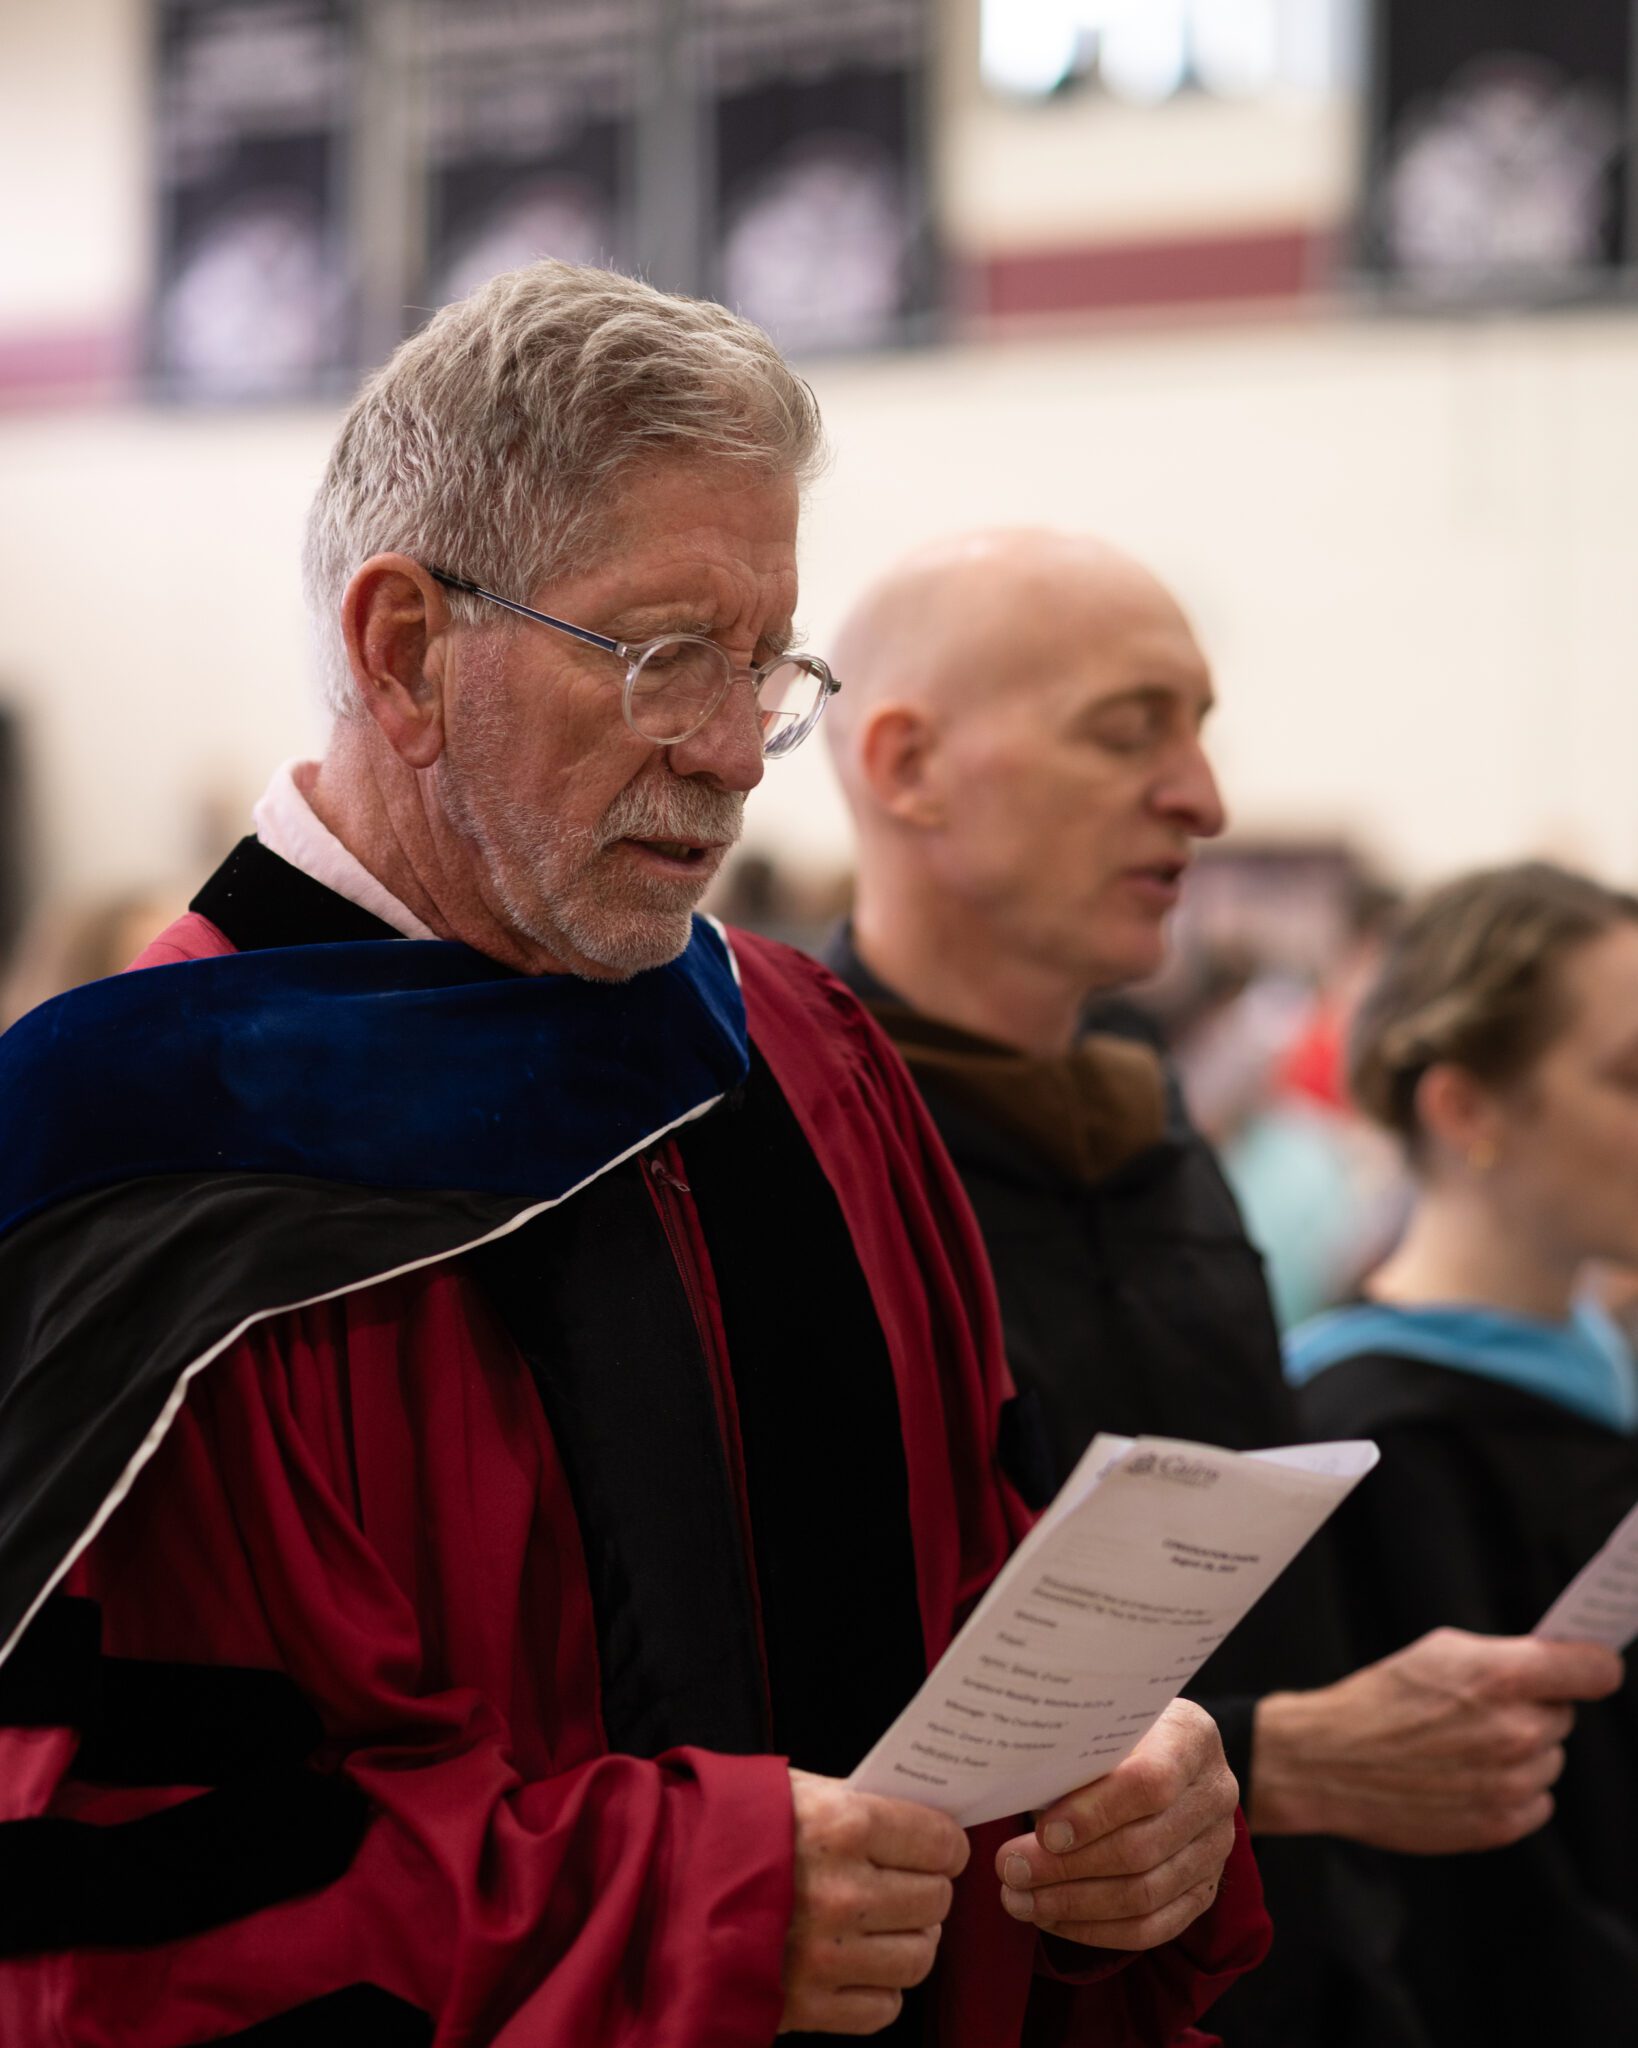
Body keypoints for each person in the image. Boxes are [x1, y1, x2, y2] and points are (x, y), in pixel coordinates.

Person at [0, 269, 1263, 2047]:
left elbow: (985, 1578)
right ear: (405, 650)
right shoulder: (131, 1145)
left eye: (768, 663)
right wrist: (692, 1902)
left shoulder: (806, 1058)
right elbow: (115, 1888)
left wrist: (1126, 1783)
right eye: (666, 655)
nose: (739, 750)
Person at [820, 530, 1622, 2047]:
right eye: (1130, 731)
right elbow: (813, 1719)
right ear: (908, 763)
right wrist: (1286, 1756)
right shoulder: (781, 1162)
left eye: (1195, 729)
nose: (1203, 798)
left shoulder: (1159, 1135)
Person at [1288, 861, 1638, 2046]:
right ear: (1465, 1109)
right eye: (1628, 1075)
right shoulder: (1369, 1439)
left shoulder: (1594, 1377)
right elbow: (1483, 1913)